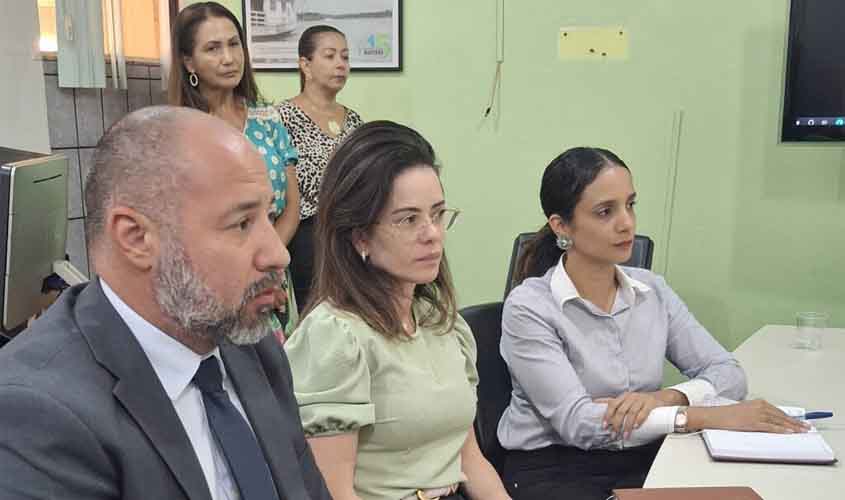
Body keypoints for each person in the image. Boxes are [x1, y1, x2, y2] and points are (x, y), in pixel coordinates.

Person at [0, 106, 330, 500]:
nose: (279, 253)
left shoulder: (250, 347)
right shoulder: (38, 412)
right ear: (136, 238)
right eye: (242, 224)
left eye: (269, 216)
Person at [498, 147, 808, 500]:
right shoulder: (529, 306)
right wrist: (700, 416)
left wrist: (667, 396)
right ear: (561, 226)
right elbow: (579, 423)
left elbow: (728, 372)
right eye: (605, 212)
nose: (626, 223)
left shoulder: (652, 290)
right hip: (556, 470)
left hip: (644, 455)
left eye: (630, 204)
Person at [283, 121, 510, 500]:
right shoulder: (336, 336)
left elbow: (470, 461)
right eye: (409, 220)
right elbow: (333, 493)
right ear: (360, 236)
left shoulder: (442, 324)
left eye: (437, 214)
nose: (432, 233)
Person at [169, 1, 300, 334]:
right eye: (213, 48)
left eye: (233, 44)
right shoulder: (178, 131)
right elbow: (184, 223)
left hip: (272, 279)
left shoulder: (268, 120)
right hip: (214, 284)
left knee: (277, 373)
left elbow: (292, 210)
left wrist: (267, 269)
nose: (228, 58)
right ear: (188, 61)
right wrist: (243, 275)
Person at [278, 24, 364, 312]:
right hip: (307, 235)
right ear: (306, 64)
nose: (340, 64)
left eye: (345, 57)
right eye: (330, 56)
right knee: (316, 317)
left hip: (352, 233)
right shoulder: (281, 118)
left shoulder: (354, 121)